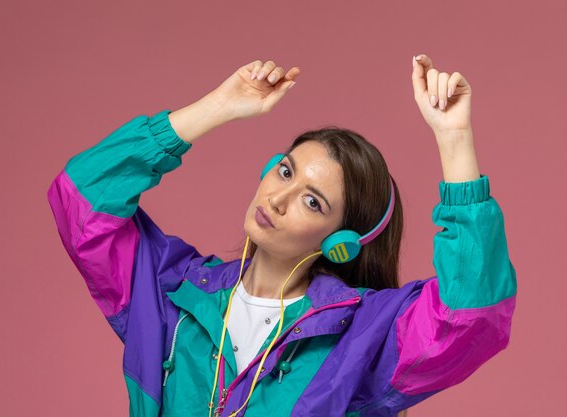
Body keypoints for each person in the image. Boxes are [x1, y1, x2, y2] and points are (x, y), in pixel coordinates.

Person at [47, 55, 517, 417]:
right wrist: (217, 107)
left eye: (313, 202)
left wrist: (454, 140)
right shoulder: (172, 292)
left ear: (342, 240)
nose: (277, 198)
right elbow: (82, 196)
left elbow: (472, 316)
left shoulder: (363, 336)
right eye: (285, 171)